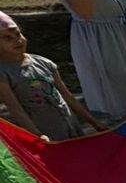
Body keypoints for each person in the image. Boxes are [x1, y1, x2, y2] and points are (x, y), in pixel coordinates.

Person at [0, 11, 105, 140]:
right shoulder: (3, 73)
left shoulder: (44, 63)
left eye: (18, 34)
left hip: (70, 127)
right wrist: (38, 135)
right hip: (46, 134)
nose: (18, 40)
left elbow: (67, 96)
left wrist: (93, 121)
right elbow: (16, 110)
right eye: (7, 38)